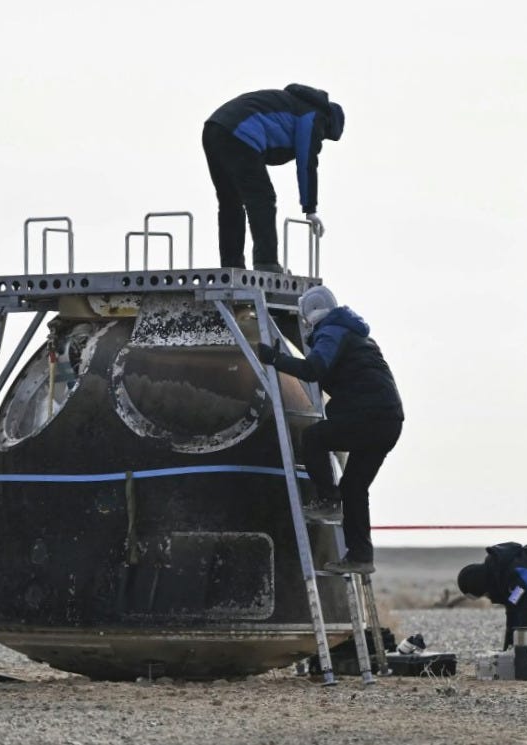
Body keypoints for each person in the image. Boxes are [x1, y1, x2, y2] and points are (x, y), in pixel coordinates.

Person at [257, 285, 403, 574]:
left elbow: (314, 368)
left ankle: (326, 500)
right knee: (354, 487)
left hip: (369, 416)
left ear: (309, 314)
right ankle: (360, 557)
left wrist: (276, 360)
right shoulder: (358, 335)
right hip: (389, 420)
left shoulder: (331, 330)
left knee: (314, 437)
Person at [202, 84, 345, 273]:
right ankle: (266, 261)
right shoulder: (314, 116)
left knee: (230, 202)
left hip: (214, 128)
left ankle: (232, 265)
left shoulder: (293, 104)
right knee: (262, 198)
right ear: (330, 124)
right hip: (240, 133)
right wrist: (310, 209)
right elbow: (307, 162)